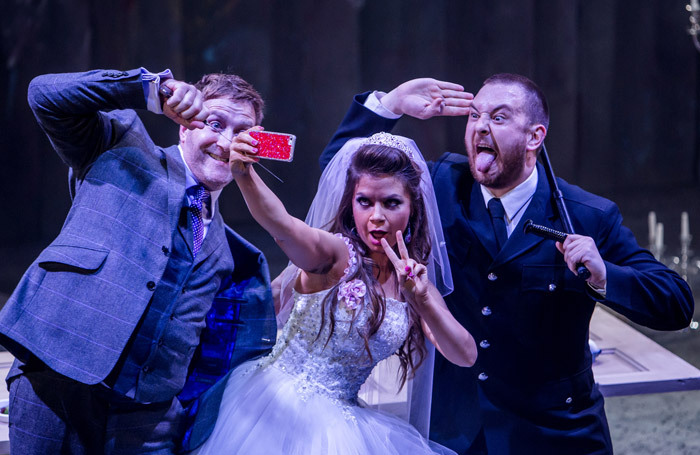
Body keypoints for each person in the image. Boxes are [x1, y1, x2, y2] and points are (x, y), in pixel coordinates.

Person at [318, 75, 695, 454]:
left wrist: (604, 275)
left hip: (556, 435)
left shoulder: (587, 215)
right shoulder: (438, 187)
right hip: (455, 434)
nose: (480, 126)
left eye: (498, 118)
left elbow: (676, 303)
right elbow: (340, 174)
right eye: (475, 115)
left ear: (535, 136)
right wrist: (390, 104)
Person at [0, 68, 277, 454]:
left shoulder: (233, 253)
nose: (226, 141)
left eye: (242, 131)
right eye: (214, 123)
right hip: (57, 384)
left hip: (148, 418)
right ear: (184, 127)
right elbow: (43, 95)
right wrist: (150, 89)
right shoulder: (123, 149)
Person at [183, 131, 478, 454]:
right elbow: (283, 226)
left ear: (412, 207)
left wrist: (422, 300)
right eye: (365, 201)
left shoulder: (414, 281)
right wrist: (245, 175)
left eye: (391, 203)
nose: (376, 217)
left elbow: (465, 354)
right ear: (351, 203)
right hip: (274, 407)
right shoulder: (336, 255)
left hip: (346, 422)